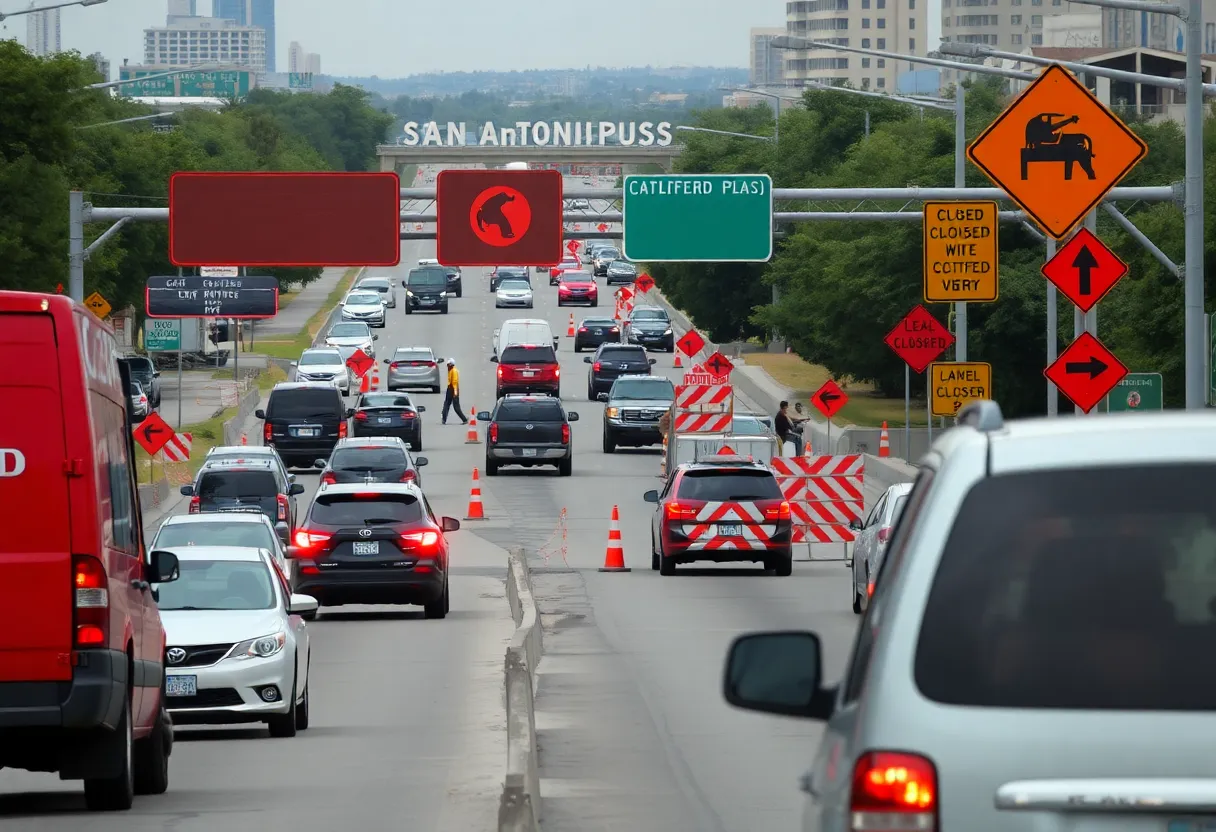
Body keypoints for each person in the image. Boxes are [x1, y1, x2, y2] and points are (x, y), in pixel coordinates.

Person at [441, 359, 467, 425]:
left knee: (456, 407)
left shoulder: (454, 371)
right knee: (446, 404)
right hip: (449, 389)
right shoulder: (450, 370)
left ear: (451, 365)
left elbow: (455, 383)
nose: (447, 366)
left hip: (453, 389)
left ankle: (464, 419)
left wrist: (455, 393)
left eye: (448, 365)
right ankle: (444, 419)